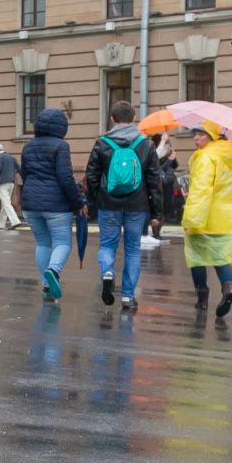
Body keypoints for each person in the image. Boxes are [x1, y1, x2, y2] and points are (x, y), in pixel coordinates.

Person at [85, 100, 162, 311]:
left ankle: (107, 272)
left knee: (107, 244)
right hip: (137, 206)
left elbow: (91, 176)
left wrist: (92, 202)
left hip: (108, 203)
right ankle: (128, 296)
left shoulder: (102, 143)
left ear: (112, 118)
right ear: (134, 119)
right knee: (132, 250)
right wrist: (156, 211)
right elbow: (154, 180)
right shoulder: (145, 144)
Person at [180, 122, 232, 320]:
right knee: (221, 258)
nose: (196, 138)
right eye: (195, 134)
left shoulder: (205, 157)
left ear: (211, 136)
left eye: (201, 134)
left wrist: (191, 219)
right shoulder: (228, 156)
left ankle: (202, 296)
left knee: (196, 258)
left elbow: (201, 191)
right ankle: (229, 288)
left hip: (205, 217)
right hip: (226, 218)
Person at [18, 107, 85, 302]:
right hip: (56, 205)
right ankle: (53, 271)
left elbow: (25, 174)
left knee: (42, 243)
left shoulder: (28, 146)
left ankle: (47, 287)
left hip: (30, 203)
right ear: (62, 127)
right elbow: (65, 177)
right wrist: (78, 202)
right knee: (62, 242)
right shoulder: (61, 146)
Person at [145, 134, 179, 247]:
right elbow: (157, 170)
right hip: (159, 188)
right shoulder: (154, 155)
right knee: (157, 211)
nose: (167, 144)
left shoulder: (166, 154)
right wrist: (169, 160)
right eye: (165, 142)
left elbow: (175, 166)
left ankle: (158, 234)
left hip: (168, 188)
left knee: (164, 212)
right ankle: (154, 234)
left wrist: (172, 158)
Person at [0, 143, 21, 230]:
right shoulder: (12, 158)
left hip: (3, 183)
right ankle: (0, 224)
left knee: (6, 203)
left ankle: (15, 221)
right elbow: (19, 168)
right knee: (5, 203)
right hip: (11, 183)